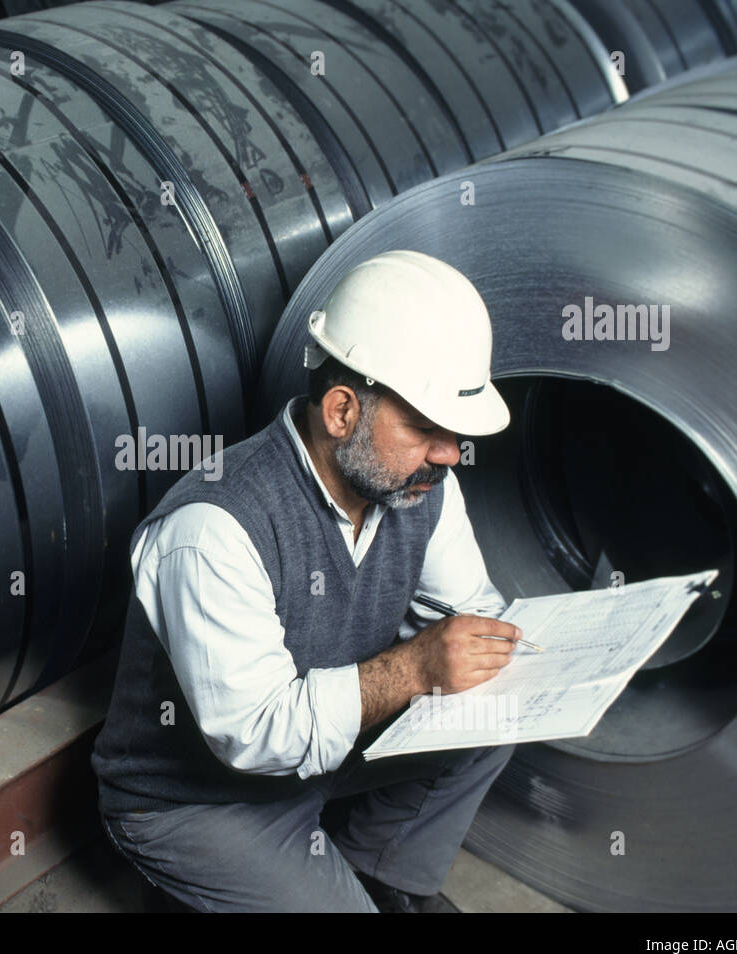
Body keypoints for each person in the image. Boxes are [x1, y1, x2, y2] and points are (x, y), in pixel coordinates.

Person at [90, 250, 523, 913]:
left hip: (325, 749)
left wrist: (480, 651)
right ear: (343, 411)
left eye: (454, 432)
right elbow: (257, 734)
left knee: (495, 703)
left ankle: (385, 873)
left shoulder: (420, 485)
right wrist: (414, 668)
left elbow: (471, 611)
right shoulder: (215, 527)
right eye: (425, 427)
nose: (448, 452)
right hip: (200, 799)